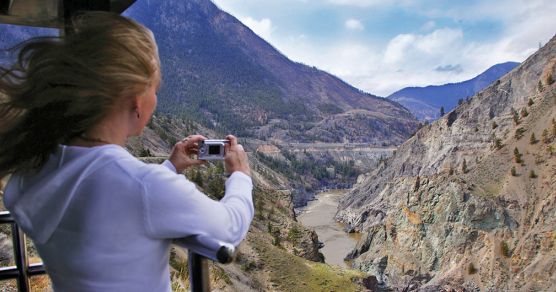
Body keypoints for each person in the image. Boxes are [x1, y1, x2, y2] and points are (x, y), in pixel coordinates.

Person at [0, 12, 253, 291]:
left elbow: (114, 196)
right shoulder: (145, 186)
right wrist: (239, 174)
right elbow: (229, 227)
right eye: (156, 89)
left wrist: (170, 167)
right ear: (136, 100)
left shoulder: (33, 174)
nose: (156, 99)